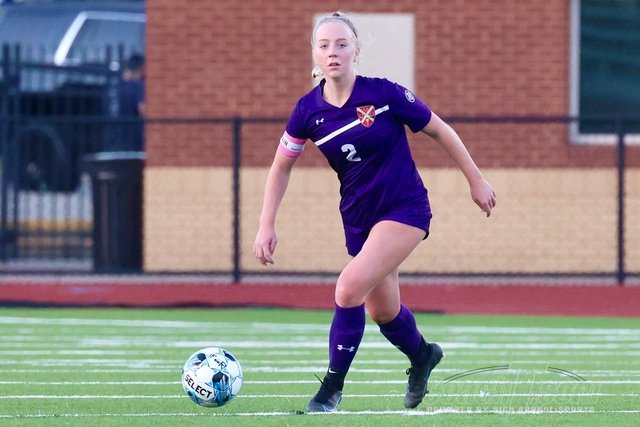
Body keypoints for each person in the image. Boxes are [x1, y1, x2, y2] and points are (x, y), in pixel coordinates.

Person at [253, 11, 497, 412]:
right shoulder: (307, 111)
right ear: (314, 54)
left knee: (348, 288)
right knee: (383, 311)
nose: (333, 52)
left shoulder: (384, 94)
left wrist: (476, 179)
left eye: (342, 44)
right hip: (358, 217)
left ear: (356, 52)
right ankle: (423, 355)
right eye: (324, 45)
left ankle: (330, 391)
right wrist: (266, 224)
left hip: (405, 208)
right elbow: (281, 167)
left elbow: (440, 129)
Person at [116, 53, 146, 151]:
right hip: (135, 130)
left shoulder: (120, 84)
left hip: (118, 130)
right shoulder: (138, 85)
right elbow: (142, 108)